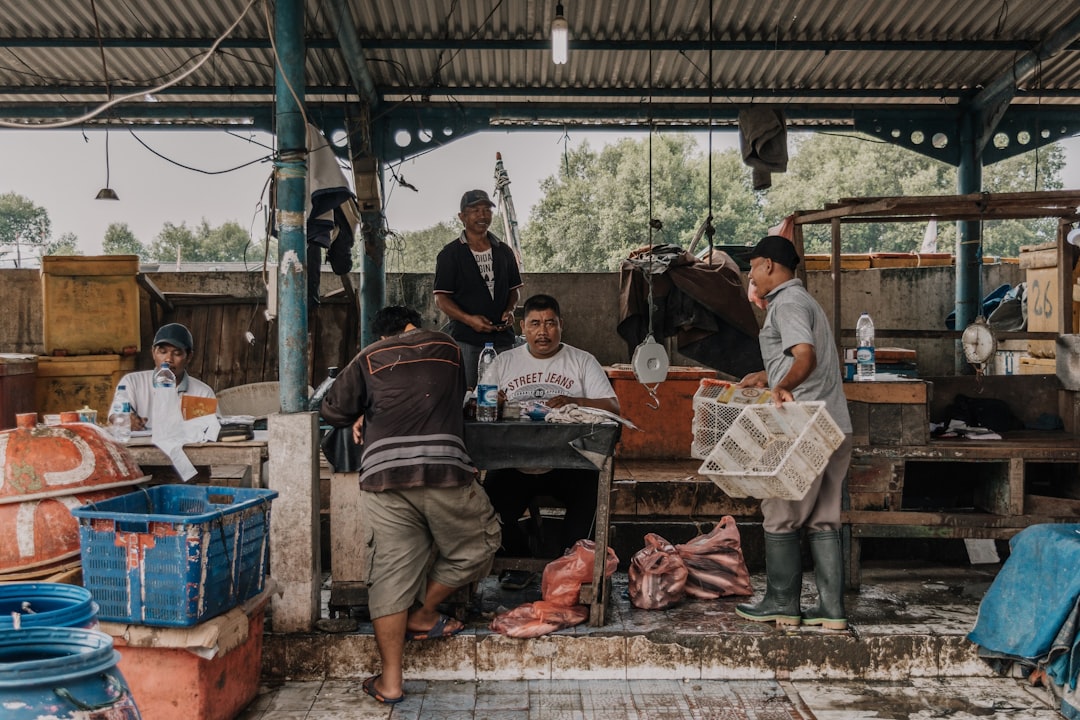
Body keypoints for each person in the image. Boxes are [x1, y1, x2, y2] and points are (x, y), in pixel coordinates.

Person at [320, 305, 500, 706]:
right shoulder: (449, 346)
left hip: (384, 477)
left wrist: (363, 410)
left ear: (383, 335)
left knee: (389, 575)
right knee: (479, 543)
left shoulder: (368, 356)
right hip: (442, 469)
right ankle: (425, 611)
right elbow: (450, 395)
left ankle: (390, 683)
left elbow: (332, 410)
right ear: (414, 324)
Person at [735, 235, 854, 631]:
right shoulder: (806, 301)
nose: (750, 275)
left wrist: (783, 387)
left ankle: (782, 602)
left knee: (781, 513)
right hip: (834, 424)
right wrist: (768, 376)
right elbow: (798, 360)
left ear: (769, 265)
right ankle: (830, 609)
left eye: (752, 267)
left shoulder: (786, 303)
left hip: (802, 427)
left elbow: (805, 355)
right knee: (824, 518)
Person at [482, 294, 620, 589]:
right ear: (523, 327)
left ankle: (569, 568)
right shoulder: (504, 362)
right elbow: (479, 404)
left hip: (569, 463)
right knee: (484, 508)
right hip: (515, 463)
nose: (542, 331)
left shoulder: (582, 361)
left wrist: (575, 401)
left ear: (561, 325)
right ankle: (519, 562)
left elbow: (613, 407)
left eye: (550, 323)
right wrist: (495, 401)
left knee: (593, 498)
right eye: (535, 324)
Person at [434, 188, 524, 387]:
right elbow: (441, 299)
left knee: (507, 390)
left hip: (502, 339)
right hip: (467, 339)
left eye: (487, 210)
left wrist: (510, 311)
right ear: (462, 216)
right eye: (475, 210)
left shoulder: (504, 251)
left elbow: (514, 291)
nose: (482, 215)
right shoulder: (450, 254)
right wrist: (469, 320)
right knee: (468, 392)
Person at [108, 322, 216, 431]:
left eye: (177, 353)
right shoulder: (132, 382)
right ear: (153, 353)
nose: (168, 359)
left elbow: (211, 431)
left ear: (189, 357)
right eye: (162, 352)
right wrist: (125, 420)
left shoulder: (202, 394)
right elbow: (115, 416)